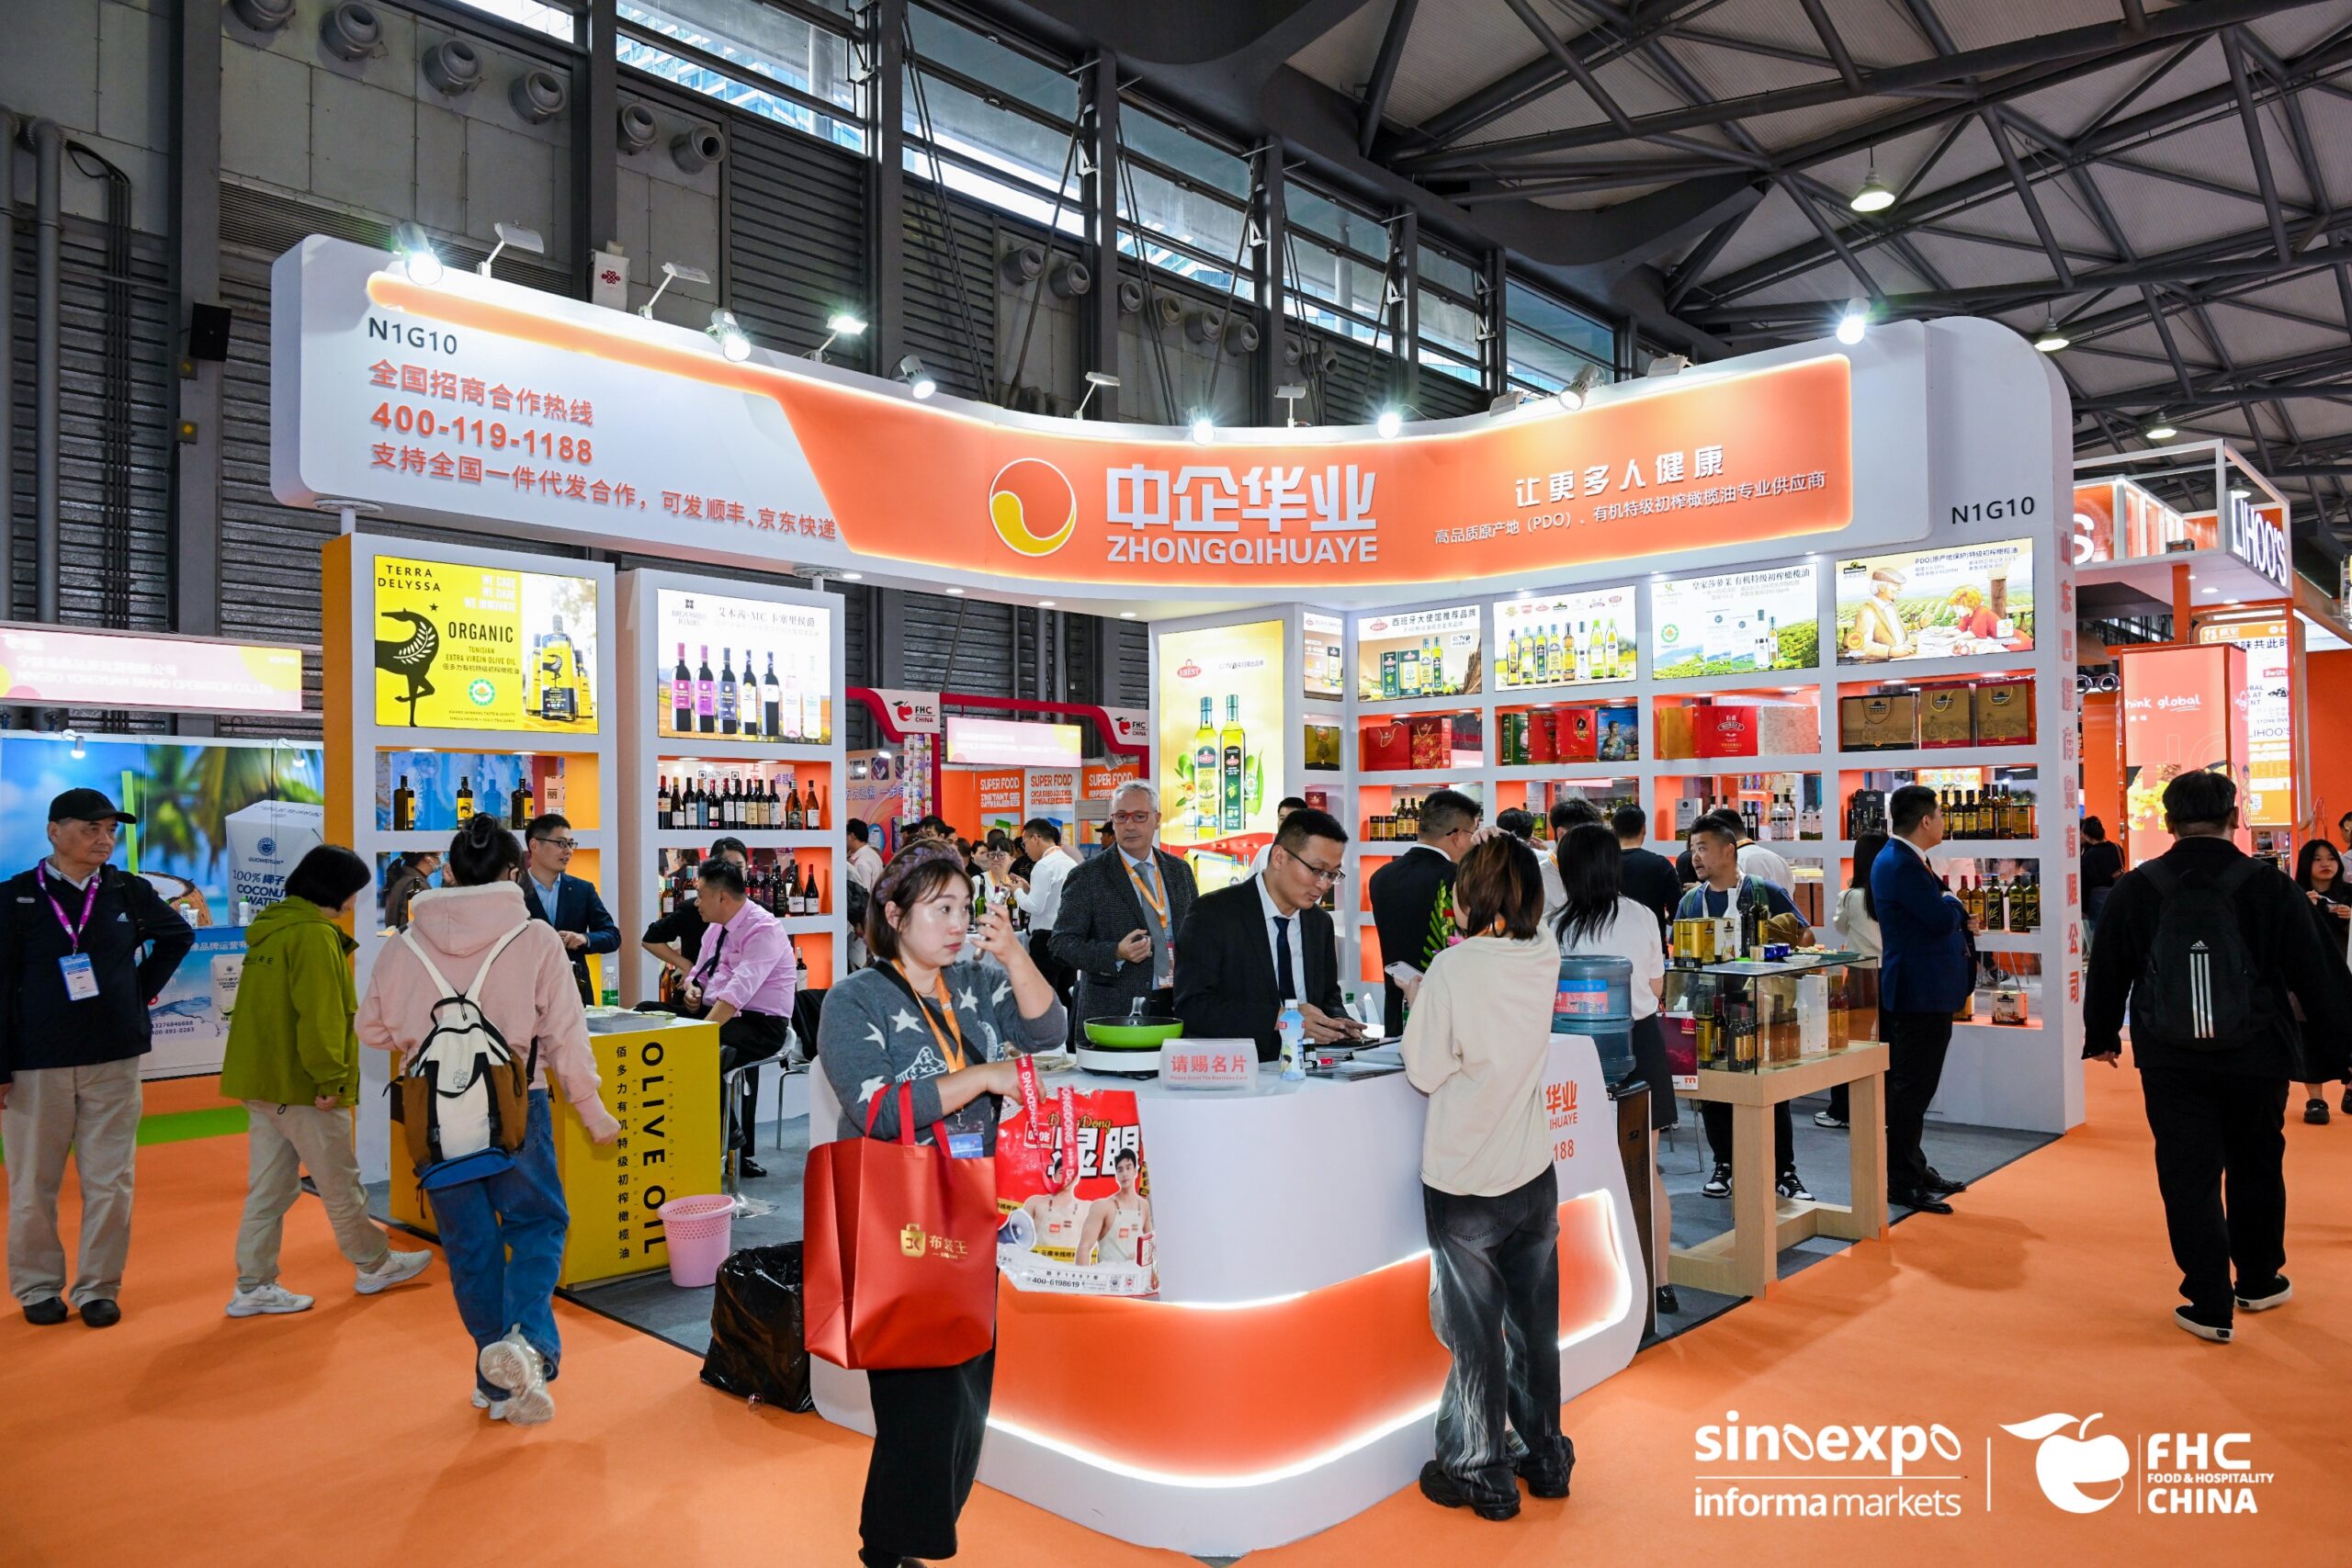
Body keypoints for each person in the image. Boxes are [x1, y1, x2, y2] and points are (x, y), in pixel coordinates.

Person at [818, 842, 1065, 1568]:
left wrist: (1014, 954)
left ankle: (905, 1541)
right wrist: (982, 1077)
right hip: (899, 1221)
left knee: (966, 1396)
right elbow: (877, 1110)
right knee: (919, 1403)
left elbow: (1051, 1032)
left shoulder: (978, 982)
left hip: (975, 1209)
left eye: (963, 907)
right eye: (940, 908)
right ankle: (892, 1548)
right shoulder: (854, 999)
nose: (958, 923)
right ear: (894, 915)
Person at [356, 816, 620, 1424]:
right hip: (517, 1107)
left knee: (469, 1244)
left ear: (449, 872)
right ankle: (525, 1343)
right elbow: (565, 1035)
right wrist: (592, 1109)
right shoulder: (535, 939)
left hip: (435, 1119)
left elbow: (371, 1029)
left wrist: (425, 1036)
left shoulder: (404, 942)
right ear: (513, 872)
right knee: (537, 1223)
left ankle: (495, 1375)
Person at [2086, 771, 2352, 1343]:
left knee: (2188, 1172)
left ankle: (2208, 1302)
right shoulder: (2269, 884)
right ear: (2234, 817)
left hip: (2168, 1053)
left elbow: (2108, 964)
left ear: (2168, 821)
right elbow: (2316, 970)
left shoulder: (2138, 886)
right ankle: (2259, 1279)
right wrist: (2341, 1048)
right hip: (2258, 1050)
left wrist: (2102, 1034)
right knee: (2257, 1162)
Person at [1399, 835, 1576, 1520]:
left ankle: (1482, 1473)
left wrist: (1420, 994)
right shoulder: (1545, 952)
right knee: (1535, 1328)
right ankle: (1546, 1457)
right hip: (1533, 1170)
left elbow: (1424, 1068)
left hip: (1466, 1176)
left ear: (1472, 896)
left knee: (1475, 1336)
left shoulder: (1452, 968)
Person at [1, 788, 196, 1327]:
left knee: (111, 1181)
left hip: (113, 1057)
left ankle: (98, 1287)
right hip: (36, 1062)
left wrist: (136, 992)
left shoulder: (126, 890)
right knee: (32, 1185)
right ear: (54, 831)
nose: (104, 839)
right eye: (91, 828)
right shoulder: (15, 897)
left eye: (111, 830)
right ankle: (38, 1286)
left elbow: (177, 936)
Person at [221, 846, 434, 1318]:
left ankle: (253, 1283)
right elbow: (319, 1018)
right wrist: (331, 1080)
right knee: (340, 1183)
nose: (354, 901)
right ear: (336, 890)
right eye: (354, 891)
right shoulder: (314, 936)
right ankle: (374, 1264)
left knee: (270, 1190)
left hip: (264, 1081)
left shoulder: (273, 929)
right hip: (302, 1086)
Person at [1554, 823, 1674, 1316]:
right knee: (1645, 1169)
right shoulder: (1641, 915)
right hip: (1638, 1043)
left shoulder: (1553, 926)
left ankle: (1592, 1285)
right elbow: (1656, 986)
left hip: (1571, 1052)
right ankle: (1660, 1283)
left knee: (1577, 1168)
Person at [1677, 818, 1810, 1201]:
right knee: (1714, 1092)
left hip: (1762, 1008)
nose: (1695, 857)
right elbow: (1679, 954)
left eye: (1703, 847)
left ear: (1728, 850)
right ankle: (1725, 1164)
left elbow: (1805, 935)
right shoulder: (1691, 901)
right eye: (1693, 848)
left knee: (1773, 1092)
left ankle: (1784, 1170)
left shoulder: (1765, 891)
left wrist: (1775, 947)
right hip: (1709, 1009)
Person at [1173, 807, 1363, 1061]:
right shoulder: (1213, 914)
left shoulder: (1319, 923)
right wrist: (1281, 1018)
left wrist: (1336, 1021)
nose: (1323, 885)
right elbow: (1193, 1007)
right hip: (1239, 1067)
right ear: (1279, 857)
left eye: (1332, 874)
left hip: (1309, 1068)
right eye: (1317, 870)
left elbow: (1328, 995)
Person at [1871, 785, 1972, 1215]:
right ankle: (1903, 1179)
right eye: (1940, 816)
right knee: (1912, 1089)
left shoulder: (1907, 859)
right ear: (1926, 820)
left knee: (1916, 1087)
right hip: (1918, 991)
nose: (1944, 823)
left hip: (1924, 988)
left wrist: (1949, 905)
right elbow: (1938, 918)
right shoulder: (1900, 863)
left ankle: (1914, 1167)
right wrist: (1954, 905)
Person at [683, 856, 796, 1179]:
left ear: (722, 897)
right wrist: (692, 990)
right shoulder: (715, 928)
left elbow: (737, 994)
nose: (696, 903)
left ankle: (728, 1136)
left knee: (695, 1049)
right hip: (719, 1016)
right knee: (650, 1014)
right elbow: (699, 973)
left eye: (700, 895)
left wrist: (698, 1032)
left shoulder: (764, 929)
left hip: (760, 1025)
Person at [1052, 782, 1196, 1026]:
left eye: (1139, 816)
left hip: (1176, 1004)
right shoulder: (1088, 875)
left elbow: (1195, 934)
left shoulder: (1179, 871)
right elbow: (1061, 944)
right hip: (1113, 1011)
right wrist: (1116, 952)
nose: (1129, 825)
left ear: (1157, 819)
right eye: (1121, 817)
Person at [1371, 787, 1484, 1028]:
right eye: (1472, 833)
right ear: (1456, 835)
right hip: (1445, 1012)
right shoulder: (1457, 878)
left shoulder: (1381, 876)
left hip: (1396, 1010)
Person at [1816, 831, 1888, 1131]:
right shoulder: (1891, 893)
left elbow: (1840, 926)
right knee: (1889, 1042)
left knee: (1848, 1043)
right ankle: (1885, 1111)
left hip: (1860, 974)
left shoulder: (1850, 896)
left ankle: (1842, 1110)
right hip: (1891, 972)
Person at [518, 813, 618, 1004]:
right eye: (561, 843)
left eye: (571, 844)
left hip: (574, 991)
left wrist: (584, 939)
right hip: (526, 992)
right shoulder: (514, 890)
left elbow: (612, 936)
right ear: (534, 845)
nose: (569, 851)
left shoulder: (582, 889)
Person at [638, 838, 747, 1006]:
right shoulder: (696, 908)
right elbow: (650, 939)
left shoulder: (758, 916)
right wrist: (687, 966)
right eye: (727, 866)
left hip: (738, 1002)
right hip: (695, 994)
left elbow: (746, 980)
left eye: (738, 867)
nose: (733, 874)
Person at [2291, 838, 2352, 1123]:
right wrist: (2304, 909)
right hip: (2308, 979)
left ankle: (2350, 1089)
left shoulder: (2349, 895)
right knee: (2310, 1037)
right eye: (2317, 859)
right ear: (2306, 864)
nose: (2326, 863)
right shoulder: (2295, 896)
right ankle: (2316, 1100)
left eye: (2330, 858)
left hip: (2347, 975)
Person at [1013, 818, 1080, 1020]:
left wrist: (1017, 892)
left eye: (1025, 843)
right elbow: (1053, 900)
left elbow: (1035, 907)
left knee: (1044, 996)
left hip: (1045, 940)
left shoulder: (1043, 865)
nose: (1024, 849)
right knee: (1067, 995)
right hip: (1069, 937)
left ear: (1036, 838)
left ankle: (1047, 1035)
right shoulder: (1070, 862)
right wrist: (1029, 889)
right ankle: (1068, 1036)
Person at [1613, 805, 1680, 944]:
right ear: (1643, 828)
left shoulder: (1601, 865)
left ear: (1614, 830)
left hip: (1610, 946)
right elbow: (1677, 911)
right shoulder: (1661, 864)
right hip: (1652, 945)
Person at [1076, 1147, 1150, 1265]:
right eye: (1120, 1170)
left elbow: (1150, 1247)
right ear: (1116, 1175)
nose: (1124, 1174)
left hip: (1135, 1273)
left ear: (1135, 1171)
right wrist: (1084, 1276)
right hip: (1108, 1274)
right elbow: (1084, 1248)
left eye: (1128, 1168)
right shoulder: (1103, 1206)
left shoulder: (1144, 1206)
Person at [1541, 797, 1603, 922]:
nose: (1592, 844)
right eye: (1586, 837)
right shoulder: (1537, 877)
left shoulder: (1595, 873)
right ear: (1561, 833)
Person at [846, 819, 886, 969]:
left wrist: (858, 924)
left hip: (864, 923)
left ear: (852, 836)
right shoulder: (872, 855)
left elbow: (861, 896)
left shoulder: (861, 862)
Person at [2081, 816, 2123, 934]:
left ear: (2086, 835)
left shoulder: (2089, 856)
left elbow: (2085, 884)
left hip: (2097, 900)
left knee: (2098, 933)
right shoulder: (2117, 848)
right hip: (2117, 895)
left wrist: (2083, 909)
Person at [1248, 796, 1310, 875]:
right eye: (1282, 818)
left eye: (1291, 820)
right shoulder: (1265, 852)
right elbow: (1249, 881)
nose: (1285, 824)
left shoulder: (1311, 854)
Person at [382, 850, 440, 929]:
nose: (440, 860)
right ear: (428, 858)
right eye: (438, 857)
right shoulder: (416, 886)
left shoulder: (404, 879)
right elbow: (411, 928)